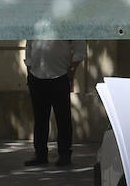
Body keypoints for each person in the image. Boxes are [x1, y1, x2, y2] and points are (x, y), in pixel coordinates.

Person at [23, 39, 85, 167]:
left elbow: (80, 46)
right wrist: (29, 68)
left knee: (63, 118)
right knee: (40, 118)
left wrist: (71, 71)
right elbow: (29, 46)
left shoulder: (66, 23)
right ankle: (40, 154)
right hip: (36, 76)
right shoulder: (36, 22)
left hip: (60, 76)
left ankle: (64, 155)